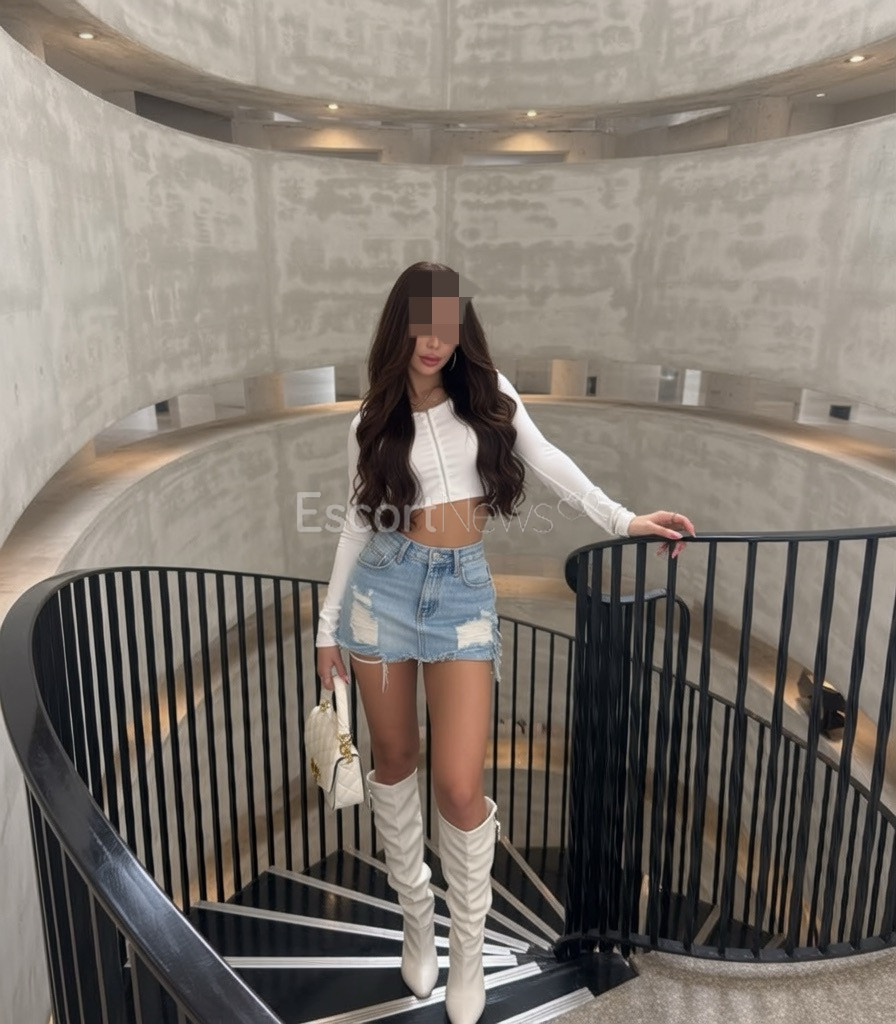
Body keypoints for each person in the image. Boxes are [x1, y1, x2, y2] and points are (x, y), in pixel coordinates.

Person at [315, 261, 695, 1024]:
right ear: (400, 328)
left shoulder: (490, 396)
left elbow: (549, 462)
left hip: (460, 595)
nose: (434, 341)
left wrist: (623, 519)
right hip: (381, 596)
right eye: (421, 326)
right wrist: (328, 627)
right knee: (395, 760)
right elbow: (359, 519)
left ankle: (467, 942)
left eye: (446, 326)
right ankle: (416, 917)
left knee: (460, 786)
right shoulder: (371, 419)